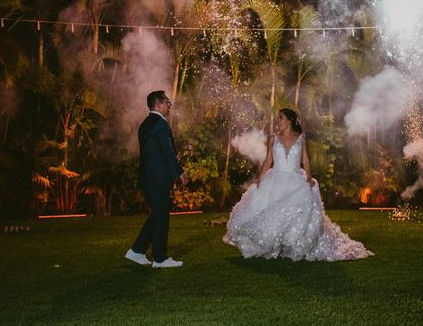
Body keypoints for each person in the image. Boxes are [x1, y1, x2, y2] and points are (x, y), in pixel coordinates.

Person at [224, 108, 374, 261]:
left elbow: (306, 160)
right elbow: (268, 160)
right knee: (272, 212)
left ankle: (292, 245)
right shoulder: (273, 138)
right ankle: (273, 245)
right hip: (275, 179)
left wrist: (308, 177)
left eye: (280, 118)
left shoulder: (301, 139)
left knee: (297, 211)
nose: (278, 121)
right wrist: (260, 178)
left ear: (289, 120)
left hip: (296, 178)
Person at [125, 91, 188, 268]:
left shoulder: (145, 124)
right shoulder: (160, 124)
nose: (170, 105)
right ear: (158, 105)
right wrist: (180, 173)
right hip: (158, 178)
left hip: (148, 177)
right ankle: (160, 258)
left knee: (158, 215)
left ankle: (137, 251)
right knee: (161, 217)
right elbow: (167, 151)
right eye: (167, 102)